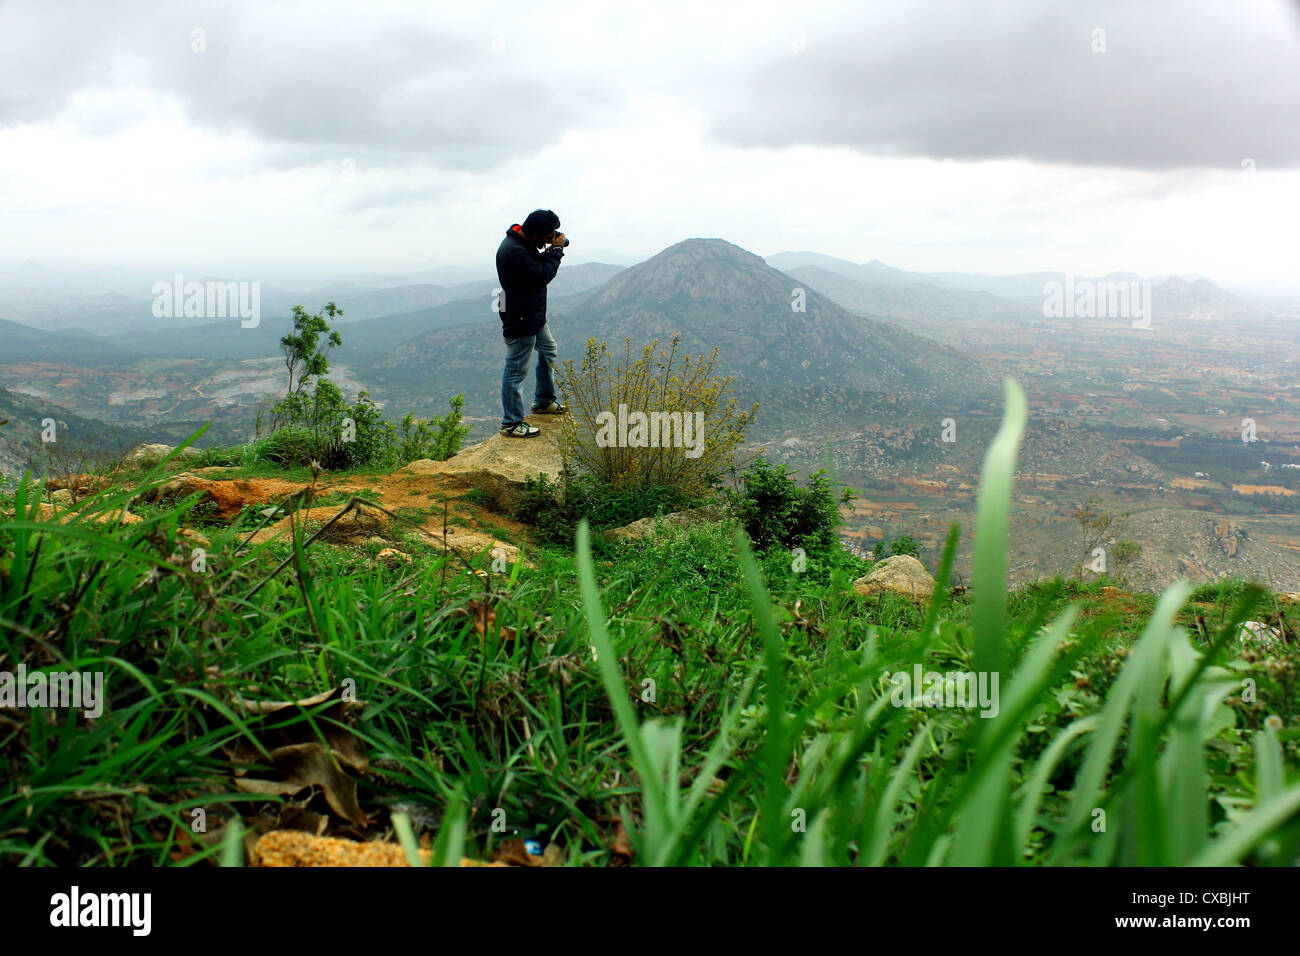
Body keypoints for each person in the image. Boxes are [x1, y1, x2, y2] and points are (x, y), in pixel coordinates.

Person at [495, 208, 569, 437]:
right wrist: (556, 251)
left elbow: (537, 269)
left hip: (533, 315)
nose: (550, 239)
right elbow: (541, 275)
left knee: (549, 350)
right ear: (537, 234)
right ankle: (512, 423)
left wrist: (552, 249)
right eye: (548, 236)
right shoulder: (514, 251)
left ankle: (544, 401)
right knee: (516, 369)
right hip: (521, 317)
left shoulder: (524, 243)